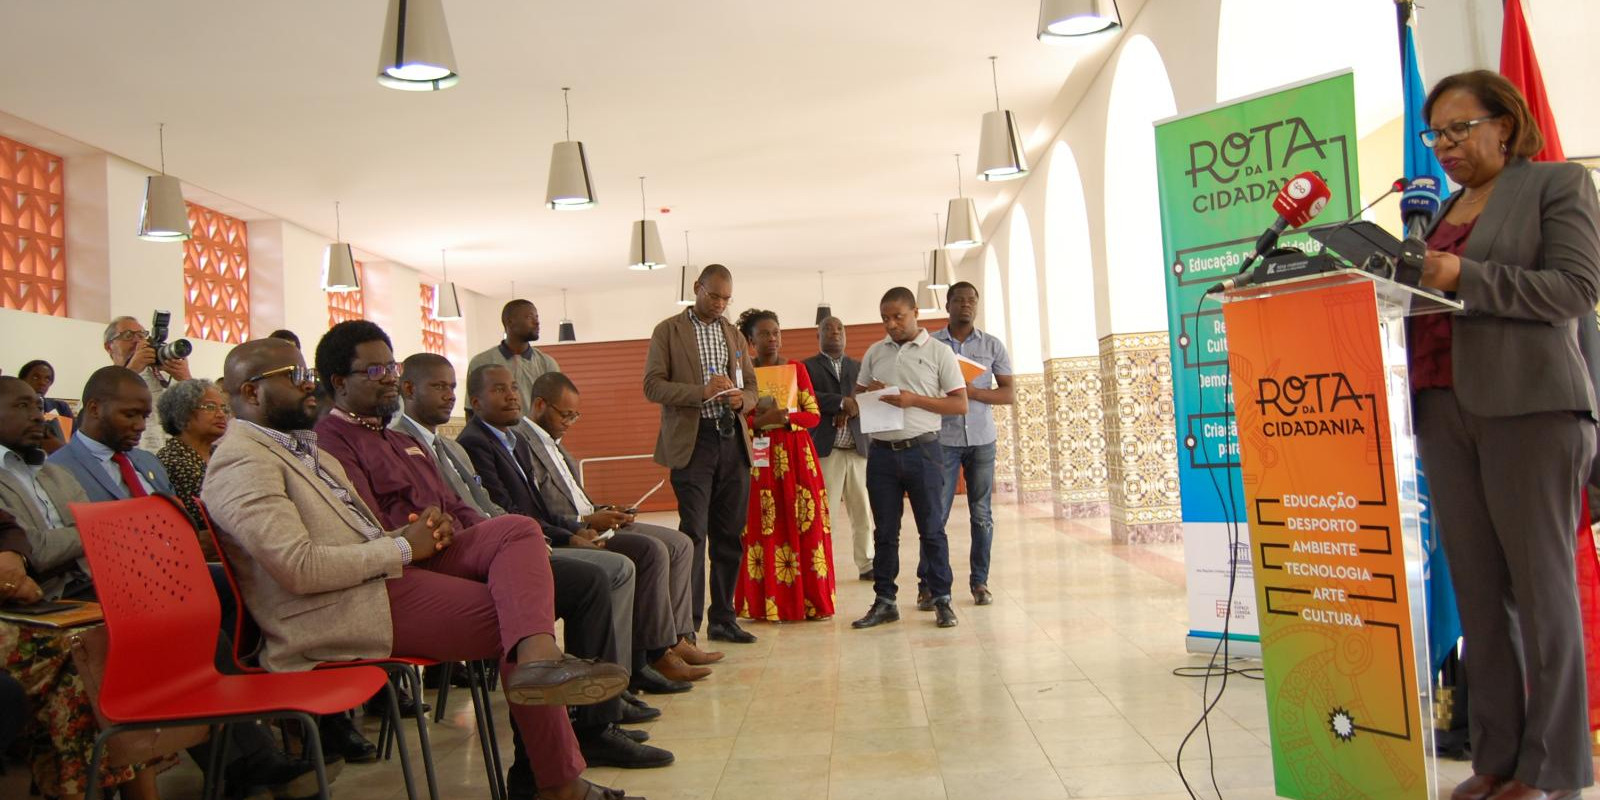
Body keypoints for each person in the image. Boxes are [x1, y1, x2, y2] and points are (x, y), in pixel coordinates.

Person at [202, 337, 637, 800]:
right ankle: (558, 782)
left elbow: (354, 537)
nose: (309, 387)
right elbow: (298, 568)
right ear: (250, 392)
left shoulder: (302, 450)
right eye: (295, 378)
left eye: (306, 375)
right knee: (517, 619)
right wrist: (404, 550)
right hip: (335, 607)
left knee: (515, 530)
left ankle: (537, 664)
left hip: (373, 577)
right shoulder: (241, 462)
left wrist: (414, 537)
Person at [308, 323, 667, 775]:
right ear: (339, 382)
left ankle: (593, 728)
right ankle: (544, 769)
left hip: (455, 548)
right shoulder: (332, 442)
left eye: (391, 365)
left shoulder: (399, 440)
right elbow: (366, 526)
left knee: (576, 573)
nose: (388, 377)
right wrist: (418, 537)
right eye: (375, 368)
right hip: (410, 565)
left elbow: (459, 505)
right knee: (515, 609)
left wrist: (491, 546)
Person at [1408, 72, 1600, 800]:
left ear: (1506, 126)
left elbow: (1575, 290)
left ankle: (1551, 769)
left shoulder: (1555, 185)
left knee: (1541, 593)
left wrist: (1463, 273)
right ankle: (1496, 757)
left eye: (1461, 129)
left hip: (1530, 410)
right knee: (1481, 596)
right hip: (1442, 407)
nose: (1447, 146)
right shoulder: (1443, 209)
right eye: (1437, 135)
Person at [393, 355, 676, 717]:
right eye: (439, 386)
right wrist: (561, 533)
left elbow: (490, 508)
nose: (513, 397)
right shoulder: (433, 443)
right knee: (606, 573)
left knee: (647, 552)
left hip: (517, 540)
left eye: (514, 388)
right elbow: (473, 516)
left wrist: (554, 531)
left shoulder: (455, 446)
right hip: (477, 556)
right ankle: (598, 709)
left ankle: (629, 677)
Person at [457, 365, 701, 696]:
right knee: (624, 563)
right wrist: (573, 531)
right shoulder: (478, 442)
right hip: (529, 545)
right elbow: (509, 513)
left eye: (514, 386)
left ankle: (649, 655)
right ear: (476, 400)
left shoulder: (513, 440)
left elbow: (537, 509)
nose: (512, 394)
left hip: (559, 529)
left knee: (670, 545)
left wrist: (590, 518)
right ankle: (622, 674)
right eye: (500, 390)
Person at [518, 372, 721, 674]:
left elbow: (574, 494)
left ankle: (679, 638)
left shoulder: (554, 443)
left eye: (575, 415)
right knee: (653, 550)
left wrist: (604, 509)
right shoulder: (523, 443)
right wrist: (584, 520)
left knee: (679, 544)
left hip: (595, 518)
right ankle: (657, 651)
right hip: (577, 529)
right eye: (566, 414)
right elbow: (538, 508)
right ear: (539, 405)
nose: (569, 422)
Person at [642, 264, 760, 644]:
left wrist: (744, 401)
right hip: (693, 443)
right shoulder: (668, 331)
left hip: (733, 442)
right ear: (697, 288)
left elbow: (754, 387)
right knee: (693, 535)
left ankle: (723, 618)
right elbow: (652, 386)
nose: (720, 304)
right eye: (714, 296)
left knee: (730, 535)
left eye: (726, 298)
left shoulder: (734, 335)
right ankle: (686, 627)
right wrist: (701, 391)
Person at [850, 287, 968, 631]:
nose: (891, 324)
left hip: (924, 451)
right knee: (885, 532)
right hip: (882, 454)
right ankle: (885, 601)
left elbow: (959, 404)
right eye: (885, 318)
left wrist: (912, 399)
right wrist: (868, 394)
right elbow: (858, 396)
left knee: (932, 530)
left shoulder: (939, 353)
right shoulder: (875, 352)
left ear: (915, 312)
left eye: (897, 316)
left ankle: (941, 599)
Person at [733, 309, 836, 622]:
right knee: (764, 525)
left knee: (806, 523)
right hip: (759, 460)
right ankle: (766, 604)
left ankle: (812, 602)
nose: (772, 338)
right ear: (751, 341)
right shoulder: (743, 374)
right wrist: (757, 422)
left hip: (797, 456)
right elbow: (739, 416)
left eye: (776, 332)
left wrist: (785, 418)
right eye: (764, 334)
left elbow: (814, 414)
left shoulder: (796, 369)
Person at [931, 281, 1014, 608]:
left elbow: (1008, 394)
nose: (966, 305)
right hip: (943, 440)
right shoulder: (933, 344)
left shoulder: (992, 346)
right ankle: (931, 585)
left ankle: (979, 583)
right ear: (948, 304)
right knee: (935, 515)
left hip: (982, 439)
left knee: (982, 515)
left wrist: (971, 392)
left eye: (971, 301)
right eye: (959, 300)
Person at [0, 376, 92, 600]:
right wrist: (92, 533)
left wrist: (94, 532)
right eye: (22, 406)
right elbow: (33, 550)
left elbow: (97, 530)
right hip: (44, 599)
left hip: (93, 582)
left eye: (39, 407)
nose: (37, 417)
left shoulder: (57, 472)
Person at [803, 317, 874, 582]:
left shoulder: (859, 366)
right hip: (827, 450)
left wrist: (850, 407)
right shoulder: (807, 367)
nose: (834, 333)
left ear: (845, 334)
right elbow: (808, 397)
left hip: (857, 449)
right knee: (824, 513)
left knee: (862, 511)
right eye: (827, 329)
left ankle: (867, 564)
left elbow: (866, 397)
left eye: (839, 329)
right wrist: (840, 403)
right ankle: (822, 565)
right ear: (818, 335)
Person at [47, 367, 174, 503]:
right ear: (94, 409)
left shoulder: (151, 462)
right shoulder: (55, 472)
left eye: (144, 416)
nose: (141, 426)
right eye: (130, 415)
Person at [155, 378, 232, 544]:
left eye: (224, 408)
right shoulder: (171, 460)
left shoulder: (221, 453)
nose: (221, 414)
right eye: (210, 407)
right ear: (183, 414)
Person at [103, 315, 192, 452]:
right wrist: (132, 370)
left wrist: (186, 379)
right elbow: (98, 415)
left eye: (141, 335)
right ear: (109, 347)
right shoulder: (103, 380)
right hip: (130, 456)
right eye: (128, 335)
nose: (137, 341)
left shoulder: (167, 376)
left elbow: (199, 416)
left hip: (171, 458)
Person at [469, 299, 561, 418]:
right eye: (529, 317)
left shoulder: (547, 364)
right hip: (494, 435)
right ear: (510, 322)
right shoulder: (481, 362)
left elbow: (556, 409)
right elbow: (471, 410)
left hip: (534, 435)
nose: (537, 322)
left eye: (537, 317)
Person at [18, 359, 73, 454]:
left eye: (47, 379)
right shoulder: (15, 406)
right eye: (35, 377)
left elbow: (74, 438)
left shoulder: (61, 407)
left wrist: (61, 448)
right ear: (22, 380)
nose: (42, 383)